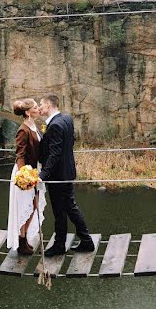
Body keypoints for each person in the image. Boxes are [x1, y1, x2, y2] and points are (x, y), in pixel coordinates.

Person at [38, 93, 94, 256]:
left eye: (41, 104)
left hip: (58, 176)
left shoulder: (55, 125)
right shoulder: (66, 119)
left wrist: (43, 175)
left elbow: (55, 153)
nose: (40, 107)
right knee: (69, 207)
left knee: (61, 210)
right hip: (67, 171)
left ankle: (64, 244)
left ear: (48, 105)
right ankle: (82, 241)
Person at [7, 98, 46, 254]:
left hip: (35, 171)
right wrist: (23, 174)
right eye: (36, 107)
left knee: (34, 205)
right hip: (25, 173)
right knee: (26, 206)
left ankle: (24, 237)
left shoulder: (33, 125)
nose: (38, 109)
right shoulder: (23, 129)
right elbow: (20, 154)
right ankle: (21, 240)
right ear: (29, 112)